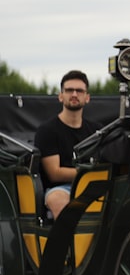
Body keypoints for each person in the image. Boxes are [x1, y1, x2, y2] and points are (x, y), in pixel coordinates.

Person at [34, 70, 100, 219]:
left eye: (80, 91)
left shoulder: (97, 131)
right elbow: (54, 173)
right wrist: (89, 173)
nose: (74, 94)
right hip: (60, 188)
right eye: (69, 90)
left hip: (94, 186)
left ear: (87, 97)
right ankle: (68, 242)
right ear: (60, 96)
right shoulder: (47, 130)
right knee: (57, 199)